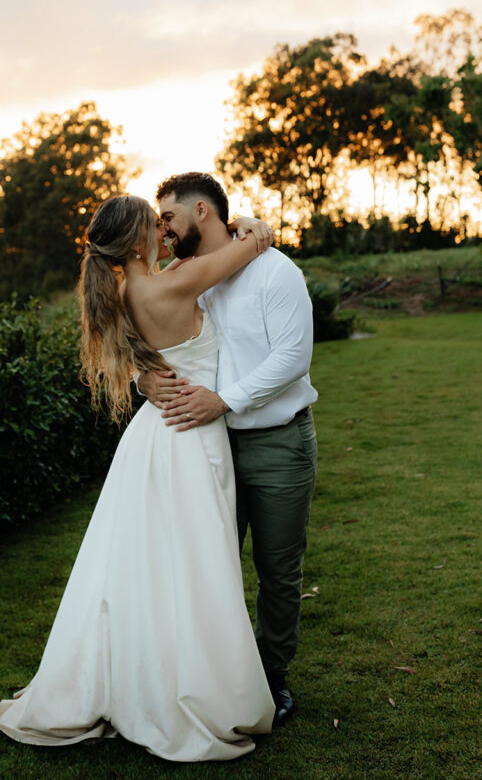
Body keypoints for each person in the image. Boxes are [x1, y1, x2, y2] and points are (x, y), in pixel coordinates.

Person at [0, 194, 276, 762]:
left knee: (146, 565)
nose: (164, 229)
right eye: (156, 222)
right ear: (137, 239)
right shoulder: (171, 283)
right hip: (189, 436)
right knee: (196, 563)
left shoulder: (128, 289)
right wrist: (251, 224)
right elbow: (257, 244)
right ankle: (186, 690)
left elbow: (147, 354)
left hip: (154, 435)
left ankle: (146, 674)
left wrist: (147, 380)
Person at [138, 172, 318, 725]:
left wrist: (225, 400)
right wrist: (141, 381)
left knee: (276, 569)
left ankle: (271, 679)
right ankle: (213, 679)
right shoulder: (185, 278)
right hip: (205, 449)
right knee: (208, 567)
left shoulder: (274, 270)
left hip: (276, 445)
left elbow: (292, 356)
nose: (162, 229)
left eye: (167, 216)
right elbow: (150, 345)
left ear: (201, 212)